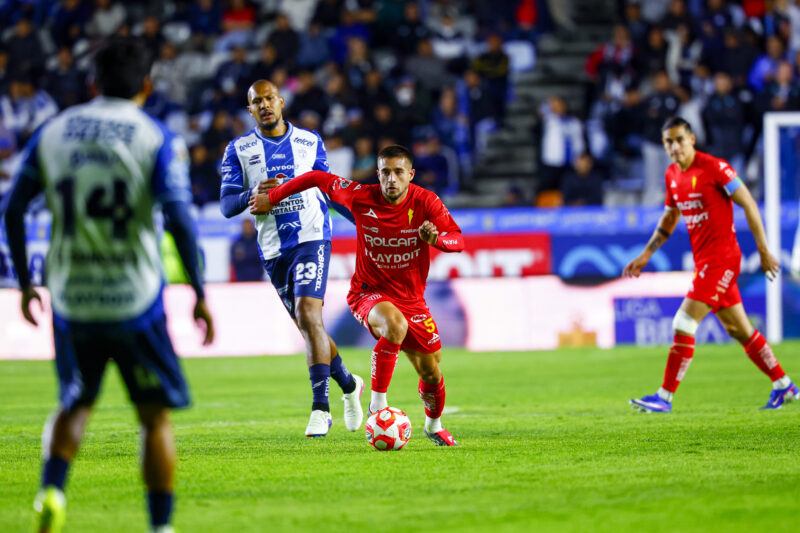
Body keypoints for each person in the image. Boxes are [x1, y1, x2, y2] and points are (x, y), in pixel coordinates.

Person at [1, 39, 214, 533]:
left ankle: (52, 490)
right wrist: (199, 293)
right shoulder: (154, 136)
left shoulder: (52, 133)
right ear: (146, 85)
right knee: (154, 417)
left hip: (73, 298)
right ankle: (160, 527)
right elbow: (180, 218)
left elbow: (12, 210)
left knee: (74, 403)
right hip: (135, 299)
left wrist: (27, 283)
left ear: (92, 82)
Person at [249, 144, 465, 446]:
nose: (391, 179)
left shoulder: (426, 201)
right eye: (385, 172)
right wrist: (271, 197)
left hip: (412, 299)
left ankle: (434, 424)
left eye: (398, 172)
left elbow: (457, 240)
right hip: (369, 292)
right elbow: (315, 178)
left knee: (431, 370)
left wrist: (436, 239)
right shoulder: (360, 196)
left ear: (410, 175)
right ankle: (378, 405)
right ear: (377, 174)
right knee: (394, 325)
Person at [219, 79, 363, 438]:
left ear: (281, 102)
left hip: (313, 236)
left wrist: (363, 221)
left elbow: (328, 191)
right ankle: (349, 384)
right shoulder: (238, 149)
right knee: (308, 325)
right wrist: (253, 193)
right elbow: (226, 204)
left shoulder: (309, 141)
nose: (265, 105)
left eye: (270, 98)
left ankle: (320, 408)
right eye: (257, 102)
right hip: (273, 248)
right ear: (250, 109)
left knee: (309, 314)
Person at [624, 117, 797, 413]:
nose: (675, 146)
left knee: (683, 322)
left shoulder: (715, 168)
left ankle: (664, 398)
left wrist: (764, 250)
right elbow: (670, 217)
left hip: (722, 259)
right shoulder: (671, 176)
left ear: (692, 139)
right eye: (669, 141)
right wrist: (646, 254)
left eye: (679, 139)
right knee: (739, 329)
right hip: (705, 260)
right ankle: (784, 385)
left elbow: (749, 204)